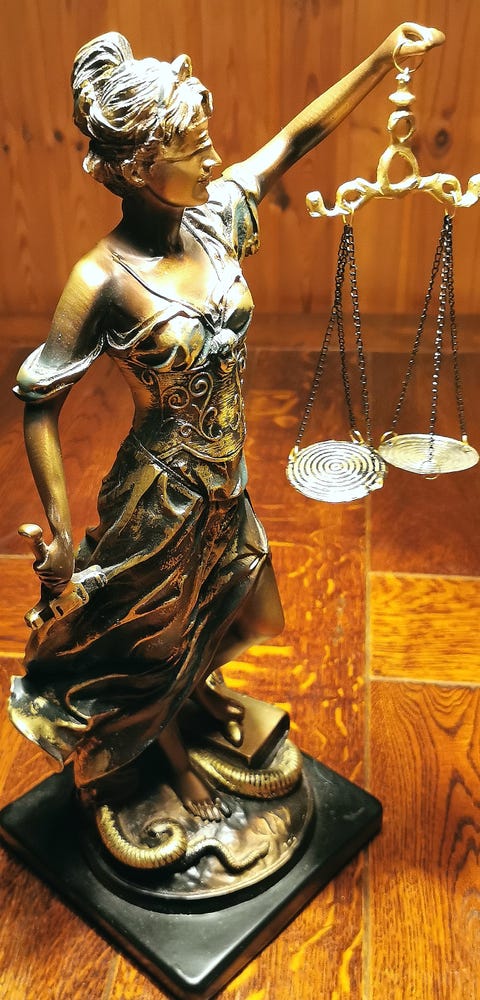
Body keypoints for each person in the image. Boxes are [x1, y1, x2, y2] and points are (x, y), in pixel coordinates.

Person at [9, 24, 443, 833]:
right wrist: (63, 533)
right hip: (160, 494)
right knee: (155, 645)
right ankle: (157, 759)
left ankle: (189, 703)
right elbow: (40, 397)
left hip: (226, 479)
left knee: (253, 616)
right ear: (139, 167)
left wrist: (383, 58)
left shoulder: (213, 218)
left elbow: (296, 138)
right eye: (195, 150)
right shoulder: (100, 279)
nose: (215, 162)